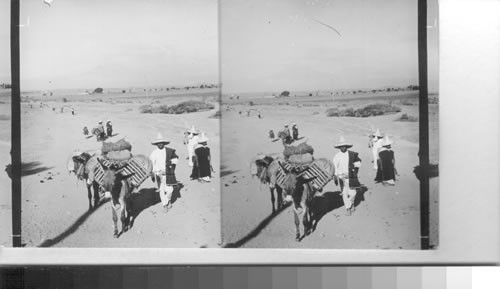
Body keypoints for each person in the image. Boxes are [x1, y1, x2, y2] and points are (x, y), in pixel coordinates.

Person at [333, 136, 362, 216]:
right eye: (341, 146)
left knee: (353, 193)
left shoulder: (352, 154)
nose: (343, 148)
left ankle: (351, 203)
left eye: (344, 146)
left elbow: (359, 162)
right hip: (342, 177)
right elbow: (335, 167)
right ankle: (348, 208)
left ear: (346, 147)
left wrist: (353, 165)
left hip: (351, 176)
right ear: (339, 147)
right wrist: (336, 176)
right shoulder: (337, 156)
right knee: (344, 193)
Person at [150, 133, 179, 212]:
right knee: (162, 190)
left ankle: (168, 201)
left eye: (161, 143)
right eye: (158, 143)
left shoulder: (169, 151)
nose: (160, 144)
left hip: (169, 173)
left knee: (170, 190)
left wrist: (170, 162)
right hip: (159, 174)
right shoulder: (154, 153)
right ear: (156, 144)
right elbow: (152, 164)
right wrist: (156, 172)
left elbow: (176, 159)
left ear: (164, 143)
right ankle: (165, 205)